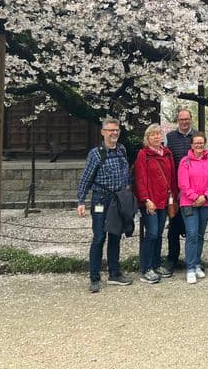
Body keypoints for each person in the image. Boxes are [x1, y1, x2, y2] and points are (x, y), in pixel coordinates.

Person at [77, 118, 133, 293]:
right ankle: (94, 277)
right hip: (101, 199)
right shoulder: (96, 153)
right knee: (99, 236)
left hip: (118, 198)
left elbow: (126, 173)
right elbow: (86, 177)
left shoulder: (122, 150)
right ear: (103, 132)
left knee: (115, 235)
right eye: (110, 130)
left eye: (116, 130)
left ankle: (114, 273)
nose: (114, 133)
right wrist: (81, 201)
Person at [133, 124, 176, 284]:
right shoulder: (143, 155)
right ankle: (146, 268)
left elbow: (171, 176)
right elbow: (140, 179)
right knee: (151, 234)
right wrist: (145, 199)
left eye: (158, 134)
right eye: (152, 135)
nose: (156, 137)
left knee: (158, 234)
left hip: (164, 200)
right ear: (147, 138)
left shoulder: (167, 153)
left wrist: (173, 196)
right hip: (150, 201)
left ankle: (156, 264)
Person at [178, 131, 208, 284]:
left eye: (201, 142)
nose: (199, 145)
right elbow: (183, 184)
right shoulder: (185, 161)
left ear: (204, 143)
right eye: (196, 143)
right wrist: (195, 197)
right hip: (189, 203)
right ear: (192, 145)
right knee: (192, 234)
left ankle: (196, 263)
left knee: (200, 235)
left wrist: (205, 196)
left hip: (206, 203)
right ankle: (189, 268)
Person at [164, 108, 195, 272]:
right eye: (181, 119)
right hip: (176, 189)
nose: (184, 122)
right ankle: (172, 259)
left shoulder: (196, 136)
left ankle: (194, 260)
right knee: (174, 225)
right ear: (178, 120)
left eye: (187, 119)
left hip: (194, 189)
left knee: (192, 228)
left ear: (191, 119)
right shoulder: (169, 137)